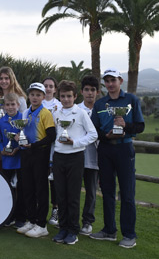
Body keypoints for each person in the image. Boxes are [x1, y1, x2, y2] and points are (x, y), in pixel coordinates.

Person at [90, 68, 145, 249]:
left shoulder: (131, 100)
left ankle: (129, 234)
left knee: (127, 194)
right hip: (105, 149)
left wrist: (125, 125)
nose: (110, 84)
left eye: (113, 80)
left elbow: (140, 126)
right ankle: (109, 230)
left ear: (120, 80)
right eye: (107, 81)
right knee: (107, 191)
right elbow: (94, 130)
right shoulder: (100, 104)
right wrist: (105, 136)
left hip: (124, 148)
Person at [51, 80, 97, 245]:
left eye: (69, 96)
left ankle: (72, 231)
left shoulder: (81, 113)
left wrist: (75, 142)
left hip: (75, 156)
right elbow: (55, 135)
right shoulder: (56, 113)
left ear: (75, 96)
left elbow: (93, 134)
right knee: (61, 195)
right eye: (63, 96)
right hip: (59, 157)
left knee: (73, 196)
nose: (66, 99)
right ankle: (63, 228)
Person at [16, 82, 56, 238]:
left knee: (41, 189)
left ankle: (41, 224)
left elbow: (51, 136)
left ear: (43, 97)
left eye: (38, 95)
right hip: (26, 153)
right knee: (28, 188)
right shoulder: (25, 113)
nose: (34, 97)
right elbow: (22, 131)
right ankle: (31, 220)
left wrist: (34, 145)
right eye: (32, 94)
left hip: (40, 154)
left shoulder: (45, 113)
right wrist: (19, 138)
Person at [0, 93, 24, 228]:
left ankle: (21, 216)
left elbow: (26, 137)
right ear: (4, 106)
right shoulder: (1, 122)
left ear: (18, 105)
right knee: (8, 188)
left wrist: (18, 148)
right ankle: (9, 215)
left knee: (21, 188)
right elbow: (0, 139)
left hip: (20, 158)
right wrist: (2, 149)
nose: (11, 107)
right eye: (8, 104)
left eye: (13, 104)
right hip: (7, 158)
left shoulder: (23, 119)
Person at [77, 75, 100, 236]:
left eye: (93, 90)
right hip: (76, 157)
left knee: (91, 191)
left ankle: (87, 222)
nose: (90, 93)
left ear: (97, 92)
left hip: (94, 158)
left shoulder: (101, 110)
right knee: (73, 191)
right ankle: (70, 219)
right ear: (81, 91)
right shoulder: (76, 109)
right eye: (87, 90)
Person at [42, 76, 62, 227]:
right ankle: (40, 210)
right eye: (46, 86)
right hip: (40, 147)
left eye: (51, 86)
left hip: (55, 147)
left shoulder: (60, 105)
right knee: (41, 180)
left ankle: (56, 210)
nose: (48, 88)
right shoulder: (37, 102)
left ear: (55, 89)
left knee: (54, 181)